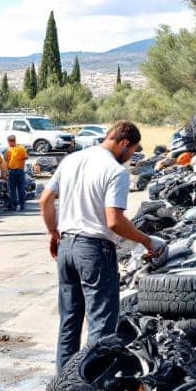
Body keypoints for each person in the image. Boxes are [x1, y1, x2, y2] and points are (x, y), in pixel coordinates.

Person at [40, 121, 166, 372]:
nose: (131, 157)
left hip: (67, 247)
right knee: (101, 325)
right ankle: (91, 387)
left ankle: (65, 386)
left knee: (70, 321)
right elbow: (114, 221)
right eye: (132, 151)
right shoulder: (115, 171)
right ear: (124, 143)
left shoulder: (72, 160)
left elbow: (45, 199)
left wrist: (54, 233)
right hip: (93, 250)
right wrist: (147, 241)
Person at [3, 135, 29, 211]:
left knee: (16, 189)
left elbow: (25, 157)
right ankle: (18, 205)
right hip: (15, 171)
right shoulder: (19, 149)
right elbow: (25, 157)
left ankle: (19, 205)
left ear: (11, 141)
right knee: (14, 189)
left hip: (17, 171)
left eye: (9, 142)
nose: (9, 144)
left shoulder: (18, 149)